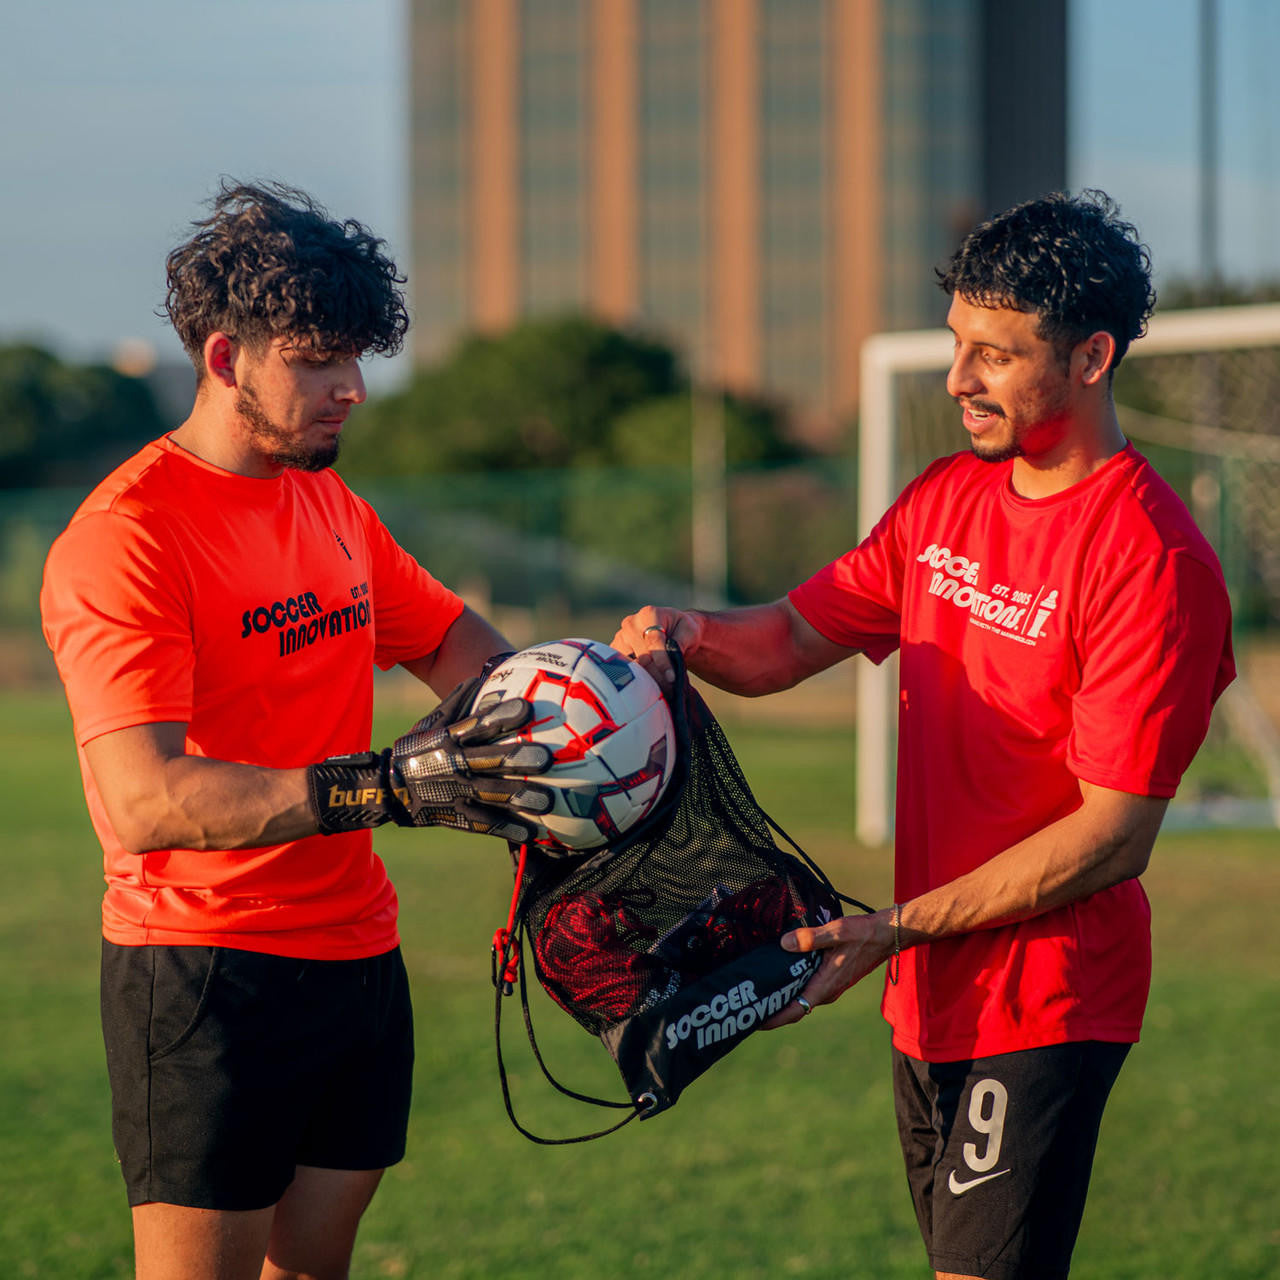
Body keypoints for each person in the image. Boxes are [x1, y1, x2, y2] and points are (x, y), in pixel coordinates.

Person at [614, 190, 1235, 1280]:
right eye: (956, 345)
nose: (956, 379)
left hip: (1044, 991)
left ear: (1091, 357)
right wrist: (686, 632)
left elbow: (1112, 835)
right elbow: (787, 639)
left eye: (994, 354)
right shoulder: (945, 498)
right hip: (924, 989)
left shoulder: (1151, 560)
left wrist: (896, 925)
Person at [40, 180, 552, 1280]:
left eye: (355, 359)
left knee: (313, 1270)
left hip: (358, 954)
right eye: (319, 358)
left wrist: (590, 696)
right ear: (226, 358)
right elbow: (144, 797)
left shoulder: (328, 503)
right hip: (205, 972)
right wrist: (387, 785)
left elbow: (461, 648)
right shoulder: (126, 538)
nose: (351, 390)